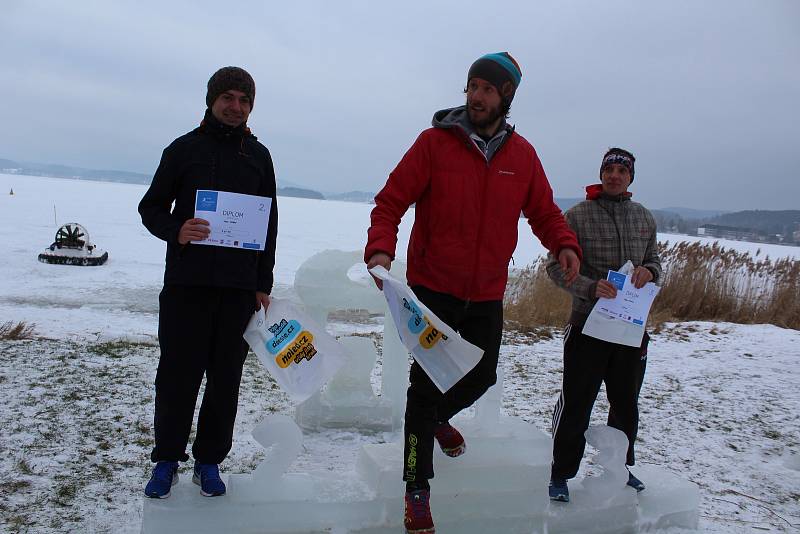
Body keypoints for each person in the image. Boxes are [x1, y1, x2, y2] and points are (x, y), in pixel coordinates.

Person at [365, 52, 581, 533]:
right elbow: (390, 202)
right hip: (432, 290)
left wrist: (563, 243)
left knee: (481, 375)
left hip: (485, 292)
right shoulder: (434, 144)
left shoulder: (522, 156)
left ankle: (435, 420)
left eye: (487, 88)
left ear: (506, 95)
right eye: (472, 86)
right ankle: (416, 490)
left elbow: (544, 212)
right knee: (423, 390)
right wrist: (380, 251)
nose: (476, 96)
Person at [138, 66, 278, 498]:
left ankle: (209, 461)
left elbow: (269, 225)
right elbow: (152, 208)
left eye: (244, 100)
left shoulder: (258, 156)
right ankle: (166, 459)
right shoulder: (183, 150)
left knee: (225, 379)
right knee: (177, 375)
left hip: (238, 290)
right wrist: (176, 229)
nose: (236, 107)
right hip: (187, 284)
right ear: (212, 100)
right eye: (229, 98)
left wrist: (262, 282)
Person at [546, 147, 661, 502]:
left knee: (626, 403)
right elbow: (554, 268)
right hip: (587, 328)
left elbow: (656, 263)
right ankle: (561, 474)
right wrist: (589, 287)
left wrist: (650, 272)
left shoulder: (644, 218)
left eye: (621, 171)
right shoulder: (577, 216)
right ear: (601, 174)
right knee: (577, 401)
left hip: (631, 331)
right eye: (608, 169)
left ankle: (620, 469)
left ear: (630, 178)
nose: (614, 175)